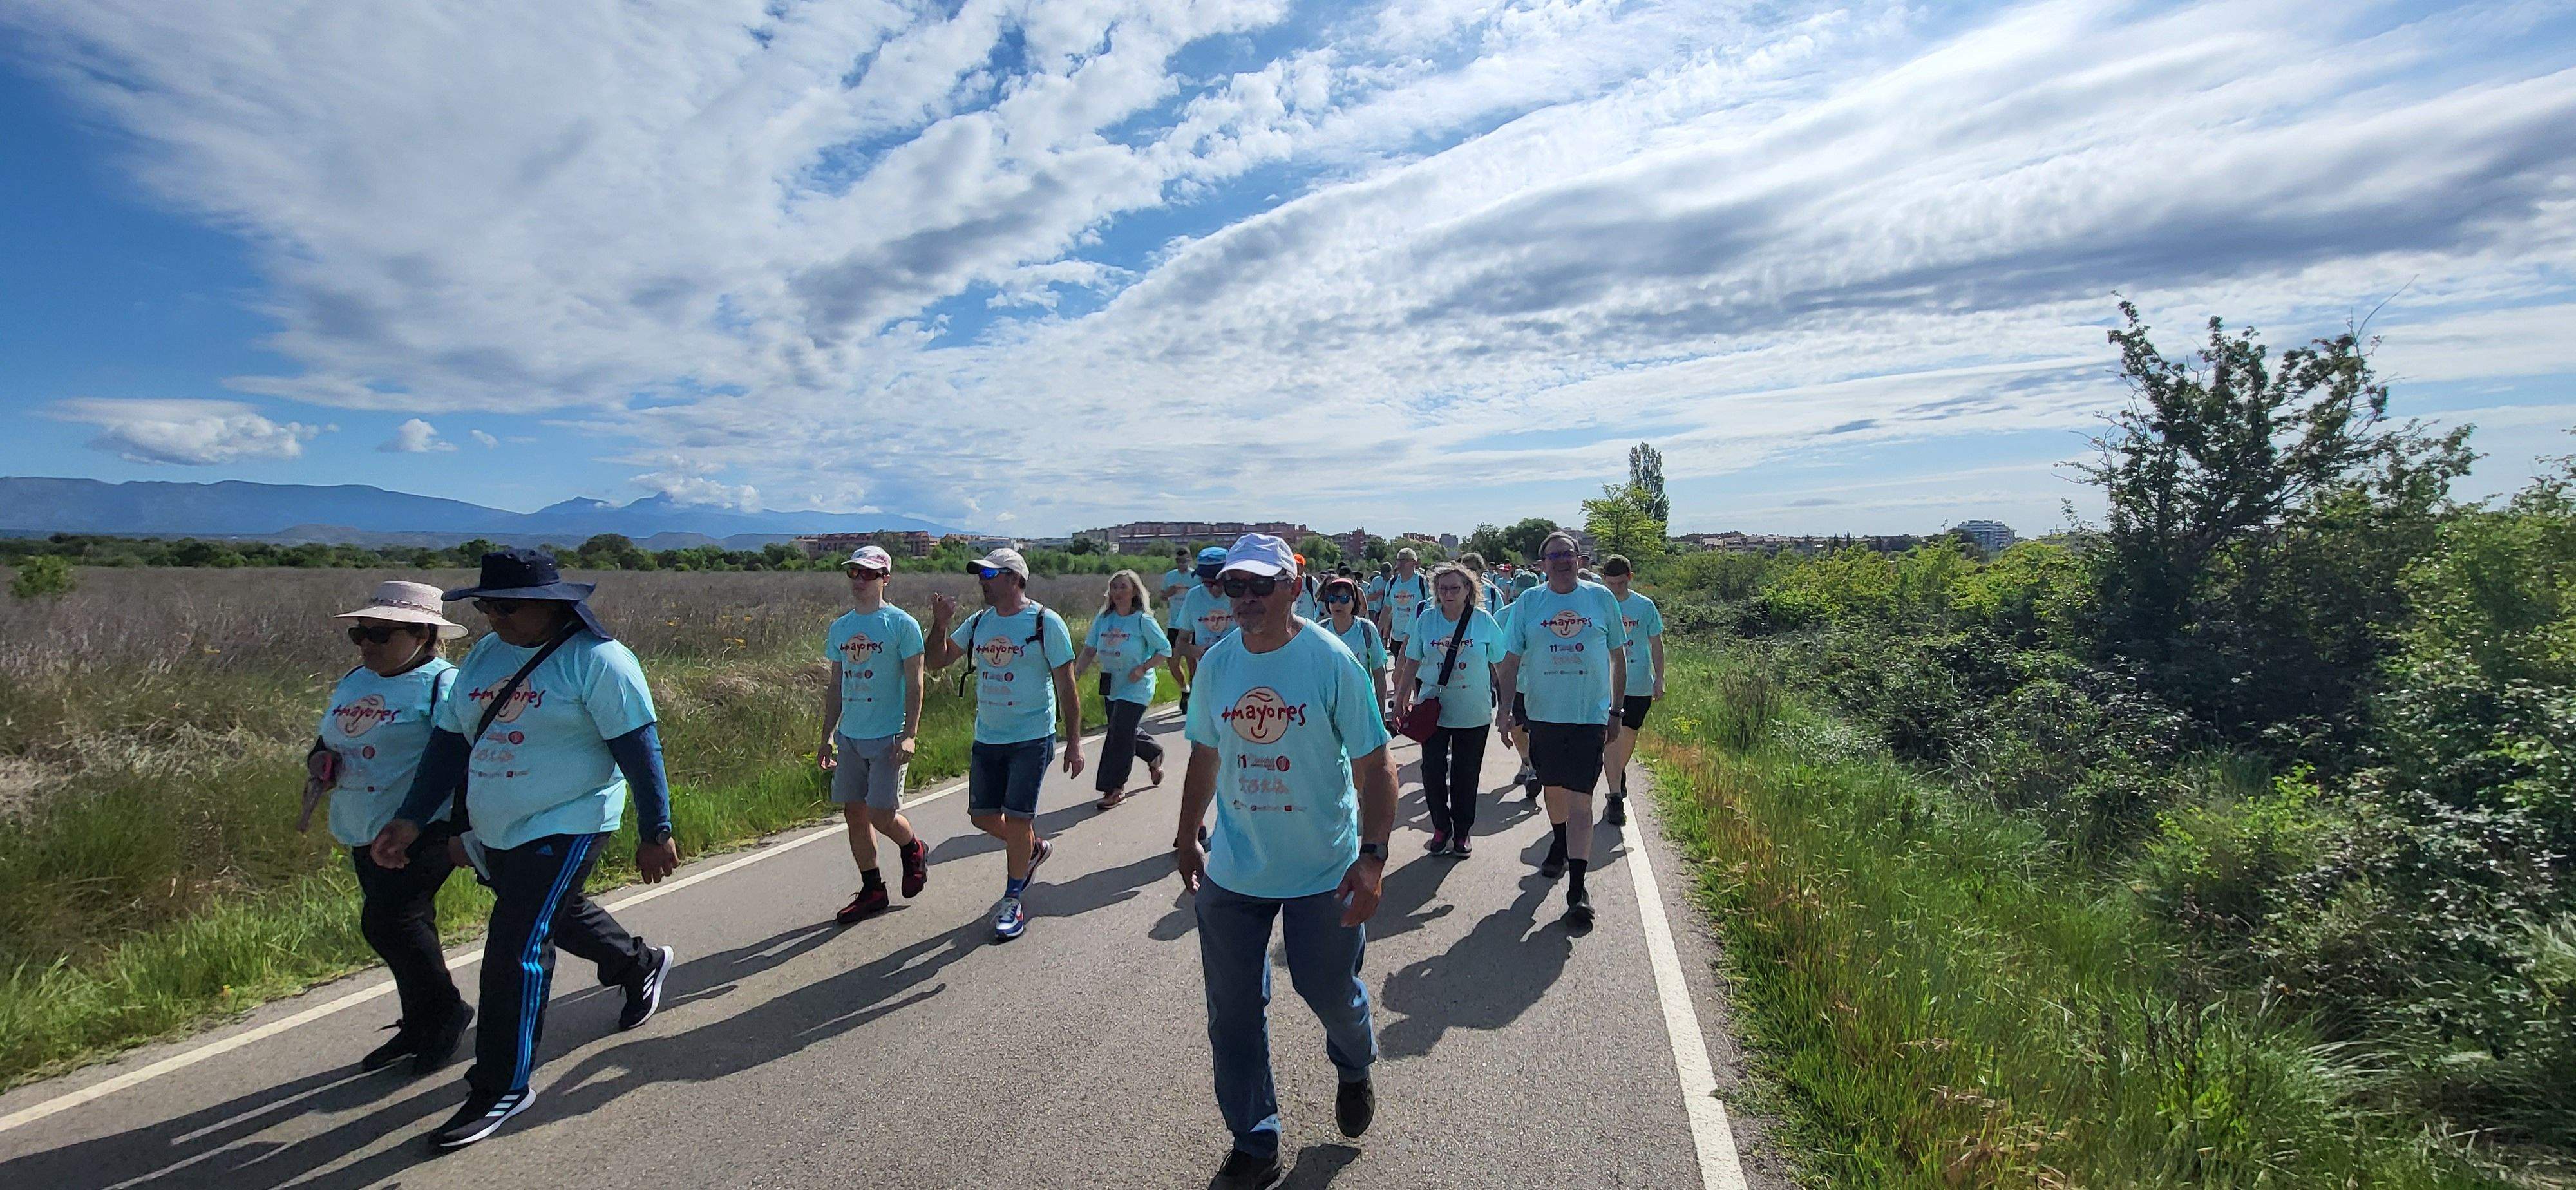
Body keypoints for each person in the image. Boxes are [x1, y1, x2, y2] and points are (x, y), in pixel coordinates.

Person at [371, 549, 677, 1150]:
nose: (493, 617)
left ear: (549, 605)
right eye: (485, 605)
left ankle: (502, 1086)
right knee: (550, 912)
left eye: (506, 606)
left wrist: (656, 831)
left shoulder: (599, 662)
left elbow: (641, 751)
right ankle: (636, 964)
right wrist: (414, 819)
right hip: (498, 823)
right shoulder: (487, 655)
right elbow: (450, 743)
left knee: (515, 945)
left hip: (571, 817)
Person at [1173, 534, 1396, 1190]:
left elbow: (1377, 763)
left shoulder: (1328, 661)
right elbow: (1205, 754)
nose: (1244, 599)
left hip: (1320, 867)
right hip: (1234, 870)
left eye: (1259, 586)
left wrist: (1374, 858)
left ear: (1292, 588)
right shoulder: (1217, 664)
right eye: (1233, 586)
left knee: (1327, 990)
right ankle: (1256, 1139)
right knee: (1232, 1011)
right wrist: (1186, 835)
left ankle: (1354, 1065)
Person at [301, 580, 470, 1076]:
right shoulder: (356, 679)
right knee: (405, 926)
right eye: (360, 635)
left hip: (422, 827)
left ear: (422, 634)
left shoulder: (444, 686)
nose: (367, 645)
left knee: (389, 923)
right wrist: (320, 759)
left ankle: (445, 1014)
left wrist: (434, 826)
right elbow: (328, 736)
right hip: (361, 825)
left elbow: (457, 759)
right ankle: (421, 1022)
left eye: (381, 635)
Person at [925, 547, 1083, 941]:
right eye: (981, 575)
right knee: (980, 816)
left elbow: (1067, 685)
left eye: (991, 575)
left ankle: (1013, 899)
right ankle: (1030, 849)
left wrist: (1074, 744)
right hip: (988, 735)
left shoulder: (1046, 622)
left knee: (1017, 819)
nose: (982, 581)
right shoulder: (979, 623)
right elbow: (937, 660)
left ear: (1015, 579)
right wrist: (940, 624)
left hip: (1031, 736)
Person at [1492, 531, 1627, 930]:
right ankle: (1558, 839)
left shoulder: (1600, 598)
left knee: (1582, 800)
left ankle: (1578, 890)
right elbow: (1510, 660)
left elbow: (1618, 657)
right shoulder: (1529, 603)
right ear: (1542, 564)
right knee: (1553, 793)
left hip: (1589, 716)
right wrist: (1505, 709)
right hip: (1544, 716)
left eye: (1568, 554)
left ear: (1580, 558)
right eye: (1553, 556)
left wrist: (1616, 711)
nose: (1562, 561)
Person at [817, 545, 931, 924]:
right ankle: (872, 889)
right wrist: (827, 735)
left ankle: (913, 847)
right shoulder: (841, 628)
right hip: (851, 734)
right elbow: (836, 684)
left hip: (888, 734)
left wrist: (910, 733)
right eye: (854, 573)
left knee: (882, 813)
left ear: (885, 578)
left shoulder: (901, 625)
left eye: (868, 574)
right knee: (855, 813)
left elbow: (916, 683)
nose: (859, 581)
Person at [1390, 565, 1507, 858]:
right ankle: (1441, 827)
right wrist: (1401, 699)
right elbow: (1412, 662)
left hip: (1473, 712)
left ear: (1469, 590)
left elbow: (1501, 663)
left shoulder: (1482, 621)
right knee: (1432, 772)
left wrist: (1506, 705)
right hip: (1434, 709)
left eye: (1455, 588)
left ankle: (1463, 832)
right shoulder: (1427, 620)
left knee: (1466, 776)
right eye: (1443, 589)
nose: (1448, 594)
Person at [1076, 568, 1171, 810]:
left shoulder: (1142, 620)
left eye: (1123, 587)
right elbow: (1089, 650)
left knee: (1119, 734)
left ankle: (1115, 788)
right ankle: (1153, 753)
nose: (1118, 592)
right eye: (1114, 587)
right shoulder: (1104, 619)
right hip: (1112, 683)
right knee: (1122, 729)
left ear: (1134, 592)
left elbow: (1165, 650)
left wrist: (1143, 668)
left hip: (1137, 686)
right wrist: (1074, 675)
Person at [1599, 555, 1665, 826]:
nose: (1616, 588)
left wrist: (1659, 678)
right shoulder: (1598, 604)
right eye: (1611, 583)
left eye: (1621, 583)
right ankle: (1615, 797)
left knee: (1628, 737)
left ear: (1630, 578)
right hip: (1606, 683)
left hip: (1637, 683)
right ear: (1604, 580)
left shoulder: (1644, 606)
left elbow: (1656, 644)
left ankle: (1619, 772)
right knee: (1610, 738)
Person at [1318, 575, 1388, 713]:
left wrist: (1380, 715)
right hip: (1330, 711)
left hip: (1362, 708)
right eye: (1333, 599)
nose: (1338, 604)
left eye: (1344, 599)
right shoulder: (1321, 631)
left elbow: (1379, 674)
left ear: (1354, 601)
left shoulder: (1366, 629)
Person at [1376, 549, 1430, 655]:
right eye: (1398, 560)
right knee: (1398, 668)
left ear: (1414, 562)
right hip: (1397, 638)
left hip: (1417, 637)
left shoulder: (1423, 583)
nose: (1399, 564)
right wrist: (1378, 631)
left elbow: (1431, 608)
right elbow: (1387, 609)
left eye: (1404, 560)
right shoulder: (1392, 583)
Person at [1162, 548, 1196, 710]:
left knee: (1191, 660)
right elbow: (1162, 596)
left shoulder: (1195, 576)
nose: (1181, 564)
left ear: (1190, 560)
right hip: (1175, 624)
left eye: (1184, 561)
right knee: (1173, 661)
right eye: (1178, 561)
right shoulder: (1170, 576)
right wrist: (1170, 592)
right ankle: (1185, 688)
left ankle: (1194, 693)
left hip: (1192, 625)